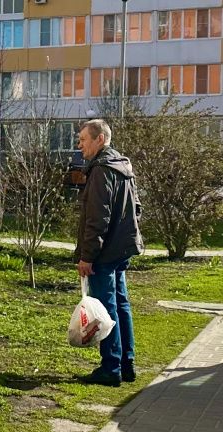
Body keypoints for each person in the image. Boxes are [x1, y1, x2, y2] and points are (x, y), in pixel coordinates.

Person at [74, 119, 144, 387]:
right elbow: (136, 208)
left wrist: (87, 256)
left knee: (107, 307)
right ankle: (127, 363)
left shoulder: (102, 170)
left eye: (83, 139)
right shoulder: (123, 166)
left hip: (103, 253)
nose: (79, 145)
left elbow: (97, 219)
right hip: (120, 249)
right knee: (121, 305)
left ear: (99, 139)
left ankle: (111, 367)